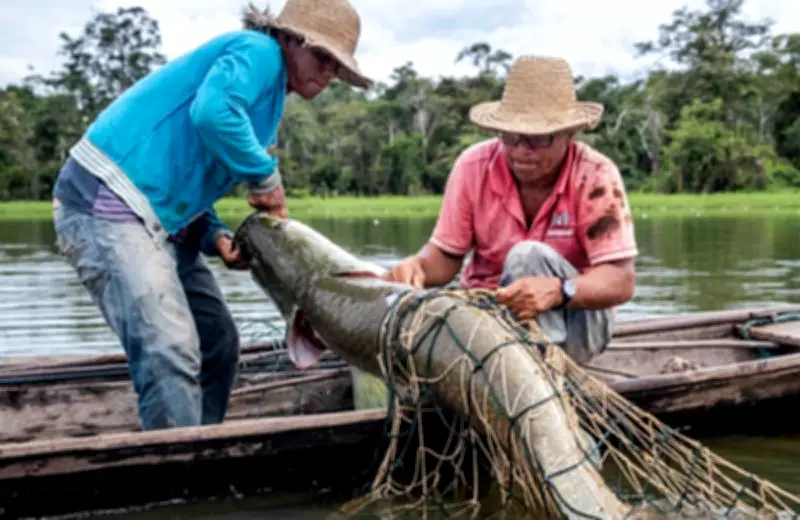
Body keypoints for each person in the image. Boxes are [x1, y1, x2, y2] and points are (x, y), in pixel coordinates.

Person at [50, 0, 373, 430]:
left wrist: (216, 237)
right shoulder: (258, 52)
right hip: (108, 204)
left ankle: (200, 445)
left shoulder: (268, 101)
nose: (329, 73)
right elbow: (212, 113)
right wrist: (265, 178)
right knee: (170, 348)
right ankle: (178, 472)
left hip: (161, 223)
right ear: (290, 40)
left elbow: (190, 180)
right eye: (323, 57)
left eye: (337, 66)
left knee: (217, 342)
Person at [384, 55, 638, 365]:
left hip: (577, 324)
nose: (520, 151)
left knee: (528, 256)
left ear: (569, 134)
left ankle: (541, 371)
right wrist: (418, 268)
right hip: (489, 320)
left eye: (538, 139)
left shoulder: (595, 175)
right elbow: (447, 257)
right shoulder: (473, 167)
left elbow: (620, 280)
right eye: (510, 136)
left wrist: (560, 290)